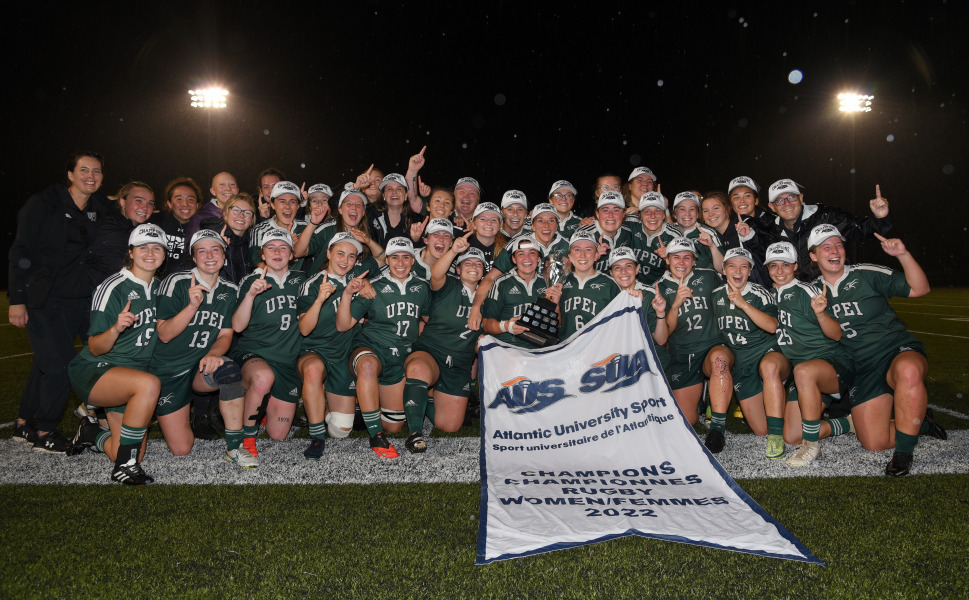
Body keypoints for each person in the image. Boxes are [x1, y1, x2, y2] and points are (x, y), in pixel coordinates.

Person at [809, 224, 946, 476]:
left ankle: (904, 453)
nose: (834, 250)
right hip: (861, 368)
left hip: (894, 350)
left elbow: (919, 289)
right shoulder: (809, 291)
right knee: (874, 442)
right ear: (813, 255)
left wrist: (902, 255)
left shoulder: (866, 273)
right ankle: (923, 424)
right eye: (825, 246)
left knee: (908, 371)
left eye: (838, 244)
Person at [9, 151, 111, 452]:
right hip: (46, 299)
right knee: (60, 364)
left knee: (46, 362)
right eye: (83, 170)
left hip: (83, 298)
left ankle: (24, 423)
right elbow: (20, 251)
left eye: (96, 171)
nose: (90, 176)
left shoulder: (101, 208)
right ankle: (45, 431)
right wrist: (17, 299)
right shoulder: (43, 204)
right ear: (70, 174)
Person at [67, 224, 166, 484]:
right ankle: (124, 468)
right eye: (143, 247)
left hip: (132, 377)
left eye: (156, 247)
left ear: (164, 255)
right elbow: (96, 346)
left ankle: (90, 433)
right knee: (148, 384)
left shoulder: (161, 289)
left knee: (132, 450)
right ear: (131, 252)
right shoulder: (113, 286)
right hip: (97, 368)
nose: (150, 252)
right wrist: (115, 328)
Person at [146, 230, 250, 466]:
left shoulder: (230, 290)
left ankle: (235, 448)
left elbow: (225, 334)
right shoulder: (176, 282)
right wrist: (192, 307)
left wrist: (214, 353)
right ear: (194, 258)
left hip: (198, 367)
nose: (209, 255)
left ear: (224, 255)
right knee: (182, 449)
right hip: (167, 371)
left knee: (230, 372)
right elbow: (164, 334)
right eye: (202, 251)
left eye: (215, 249)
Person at [337, 237, 432, 458]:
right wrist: (348, 294)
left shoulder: (422, 287)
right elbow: (343, 325)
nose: (400, 263)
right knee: (368, 366)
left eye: (406, 257)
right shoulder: (373, 286)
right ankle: (375, 435)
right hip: (372, 348)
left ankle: (366, 404)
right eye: (395, 257)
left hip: (400, 357)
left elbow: (427, 318)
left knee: (395, 426)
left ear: (412, 260)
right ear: (387, 260)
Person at [764, 241, 856, 467]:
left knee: (803, 371)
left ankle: (811, 447)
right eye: (774, 266)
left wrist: (820, 313)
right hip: (804, 371)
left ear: (795, 265)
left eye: (785, 265)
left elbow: (836, 335)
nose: (779, 271)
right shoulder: (771, 295)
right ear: (767, 269)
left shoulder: (806, 291)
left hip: (832, 363)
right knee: (792, 436)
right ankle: (848, 424)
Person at [402, 238, 487, 450]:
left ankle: (430, 396)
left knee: (449, 425)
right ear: (457, 270)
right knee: (418, 368)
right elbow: (436, 273)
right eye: (467, 263)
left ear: (484, 271)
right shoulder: (448, 284)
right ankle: (414, 432)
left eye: (478, 264)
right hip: (432, 351)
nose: (473, 267)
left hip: (460, 362)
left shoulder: (490, 297)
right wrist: (453, 251)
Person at [231, 229, 306, 460]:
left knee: (278, 434)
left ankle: (261, 404)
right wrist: (250, 296)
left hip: (287, 361)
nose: (277, 252)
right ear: (262, 254)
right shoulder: (251, 281)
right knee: (263, 378)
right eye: (270, 247)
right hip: (255, 353)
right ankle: (247, 437)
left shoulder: (302, 280)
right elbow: (237, 326)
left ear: (292, 255)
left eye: (283, 247)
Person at [297, 232, 370, 460]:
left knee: (341, 430)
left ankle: (321, 402)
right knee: (313, 370)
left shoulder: (357, 280)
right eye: (340, 253)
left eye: (351, 256)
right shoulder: (311, 284)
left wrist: (366, 283)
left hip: (341, 356)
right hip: (315, 351)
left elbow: (383, 264)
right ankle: (316, 435)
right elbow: (304, 329)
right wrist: (319, 300)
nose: (344, 260)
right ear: (328, 253)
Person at [711, 248, 788, 457]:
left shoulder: (759, 294)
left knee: (769, 367)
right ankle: (784, 406)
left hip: (767, 353)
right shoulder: (716, 296)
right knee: (760, 429)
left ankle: (776, 436)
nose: (738, 270)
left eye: (743, 266)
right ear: (724, 270)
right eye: (732, 265)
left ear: (750, 271)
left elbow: (772, 326)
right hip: (742, 363)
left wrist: (743, 305)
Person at [656, 238, 731, 431]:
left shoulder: (708, 276)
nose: (681, 262)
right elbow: (663, 337)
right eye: (676, 257)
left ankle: (717, 428)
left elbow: (732, 271)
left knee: (719, 361)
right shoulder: (658, 288)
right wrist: (675, 305)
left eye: (687, 257)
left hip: (712, 346)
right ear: (667, 260)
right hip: (683, 354)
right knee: (686, 421)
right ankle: (703, 399)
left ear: (695, 260)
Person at [750, 179, 891, 279]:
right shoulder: (769, 230)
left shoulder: (826, 217)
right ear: (771, 206)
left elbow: (863, 231)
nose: (787, 203)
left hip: (829, 291)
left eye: (791, 197)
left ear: (801, 198)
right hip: (796, 300)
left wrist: (880, 218)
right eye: (779, 200)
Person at [482, 235, 553, 348]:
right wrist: (506, 326)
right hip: (508, 347)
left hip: (538, 350)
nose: (527, 258)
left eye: (532, 253)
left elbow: (557, 324)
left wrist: (556, 302)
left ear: (539, 259)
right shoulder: (501, 283)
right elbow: (486, 324)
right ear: (514, 259)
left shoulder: (548, 283)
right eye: (521, 253)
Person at [608, 247, 669, 370]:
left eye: (628, 266)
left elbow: (661, 340)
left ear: (637, 269)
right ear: (611, 273)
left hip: (652, 362)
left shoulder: (651, 294)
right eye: (617, 267)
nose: (623, 272)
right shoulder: (608, 294)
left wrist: (660, 312)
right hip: (622, 361)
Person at [86, 181, 156, 287]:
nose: (145, 207)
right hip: (91, 295)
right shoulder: (102, 222)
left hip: (123, 296)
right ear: (122, 202)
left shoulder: (146, 232)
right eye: (138, 201)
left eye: (150, 203)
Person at [557, 230, 619, 340]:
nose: (583, 255)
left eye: (588, 250)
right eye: (577, 250)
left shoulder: (610, 285)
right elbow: (556, 325)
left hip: (597, 351)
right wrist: (555, 303)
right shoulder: (560, 283)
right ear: (570, 257)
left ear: (596, 256)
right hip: (566, 351)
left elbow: (619, 326)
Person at [701, 190, 769, 286]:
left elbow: (764, 254)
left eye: (716, 208)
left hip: (759, 287)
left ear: (727, 208)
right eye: (706, 211)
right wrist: (712, 246)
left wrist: (749, 237)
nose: (711, 214)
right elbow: (722, 269)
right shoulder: (708, 235)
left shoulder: (747, 225)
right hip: (733, 290)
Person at [249, 181, 309, 271]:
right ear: (272, 205)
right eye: (282, 201)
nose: (287, 206)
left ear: (298, 206)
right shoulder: (260, 230)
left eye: (292, 202)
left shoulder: (306, 228)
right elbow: (257, 261)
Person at [662, 192, 724, 273]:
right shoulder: (668, 232)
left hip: (705, 281)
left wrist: (712, 246)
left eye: (692, 209)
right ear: (675, 214)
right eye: (682, 209)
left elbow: (723, 269)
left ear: (698, 214)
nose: (687, 213)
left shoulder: (708, 232)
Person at [202, 193, 257, 284]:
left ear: (252, 219)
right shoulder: (209, 238)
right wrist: (217, 248)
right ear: (225, 213)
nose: (241, 215)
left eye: (247, 212)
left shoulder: (252, 243)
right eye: (236, 210)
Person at [153, 177, 202, 278]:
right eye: (179, 199)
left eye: (191, 199)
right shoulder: (156, 222)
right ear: (169, 203)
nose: (185, 204)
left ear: (197, 205)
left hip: (187, 287)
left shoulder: (202, 229)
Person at [574, 191, 633, 272]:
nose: (611, 215)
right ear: (597, 214)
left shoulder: (627, 232)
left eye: (616, 210)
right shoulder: (583, 234)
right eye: (605, 210)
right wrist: (592, 258)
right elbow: (572, 271)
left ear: (623, 215)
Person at [628, 191, 672, 285]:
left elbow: (683, 269)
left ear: (664, 215)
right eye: (647, 211)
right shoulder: (630, 223)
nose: (653, 216)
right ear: (639, 215)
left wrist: (669, 260)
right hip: (630, 284)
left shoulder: (673, 235)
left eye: (657, 211)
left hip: (659, 287)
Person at [185, 171, 239, 241]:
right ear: (213, 191)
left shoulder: (246, 216)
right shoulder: (200, 218)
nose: (228, 188)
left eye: (232, 184)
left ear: (237, 190)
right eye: (222, 185)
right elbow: (191, 248)